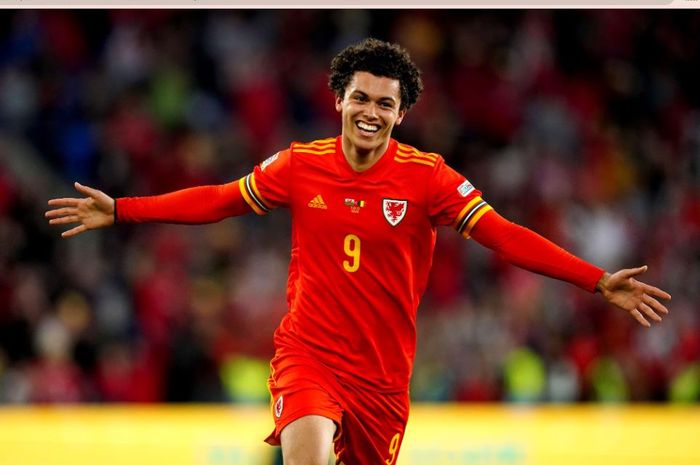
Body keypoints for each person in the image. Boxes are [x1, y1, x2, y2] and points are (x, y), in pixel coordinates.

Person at [46, 38, 671, 465]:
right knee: (308, 453)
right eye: (362, 98)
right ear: (340, 99)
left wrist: (596, 281)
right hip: (309, 354)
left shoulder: (429, 178)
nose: (371, 112)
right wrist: (124, 209)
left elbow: (503, 235)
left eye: (386, 103)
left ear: (400, 115)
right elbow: (220, 199)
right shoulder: (301, 164)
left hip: (382, 377)